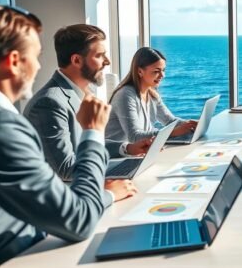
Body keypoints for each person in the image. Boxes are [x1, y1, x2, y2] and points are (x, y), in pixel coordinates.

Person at [0, 4, 136, 268]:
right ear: (14, 61)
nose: (39, 67)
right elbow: (78, 220)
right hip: (18, 267)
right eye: (36, 57)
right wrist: (93, 134)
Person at [25, 24, 153, 181]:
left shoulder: (83, 93)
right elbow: (65, 169)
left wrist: (127, 148)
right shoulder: (48, 103)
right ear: (77, 60)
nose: (107, 61)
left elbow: (87, 143)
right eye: (100, 55)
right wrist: (110, 187)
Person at [106, 47, 196, 144]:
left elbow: (170, 121)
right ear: (140, 71)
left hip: (144, 151)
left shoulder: (151, 94)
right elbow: (134, 137)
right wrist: (172, 132)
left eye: (163, 70)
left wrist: (191, 124)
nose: (162, 75)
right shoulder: (125, 95)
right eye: (156, 71)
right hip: (119, 156)